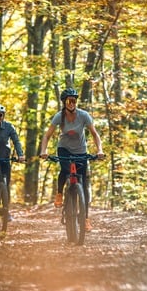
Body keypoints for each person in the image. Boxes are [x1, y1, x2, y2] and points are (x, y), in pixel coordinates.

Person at [39, 88, 105, 232]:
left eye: (73, 100)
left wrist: (99, 150)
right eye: (68, 100)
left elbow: (94, 134)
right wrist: (44, 151)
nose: (71, 103)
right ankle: (59, 193)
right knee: (65, 169)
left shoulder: (84, 115)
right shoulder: (59, 116)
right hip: (64, 149)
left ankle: (85, 219)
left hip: (81, 150)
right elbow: (47, 135)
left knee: (84, 183)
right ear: (64, 102)